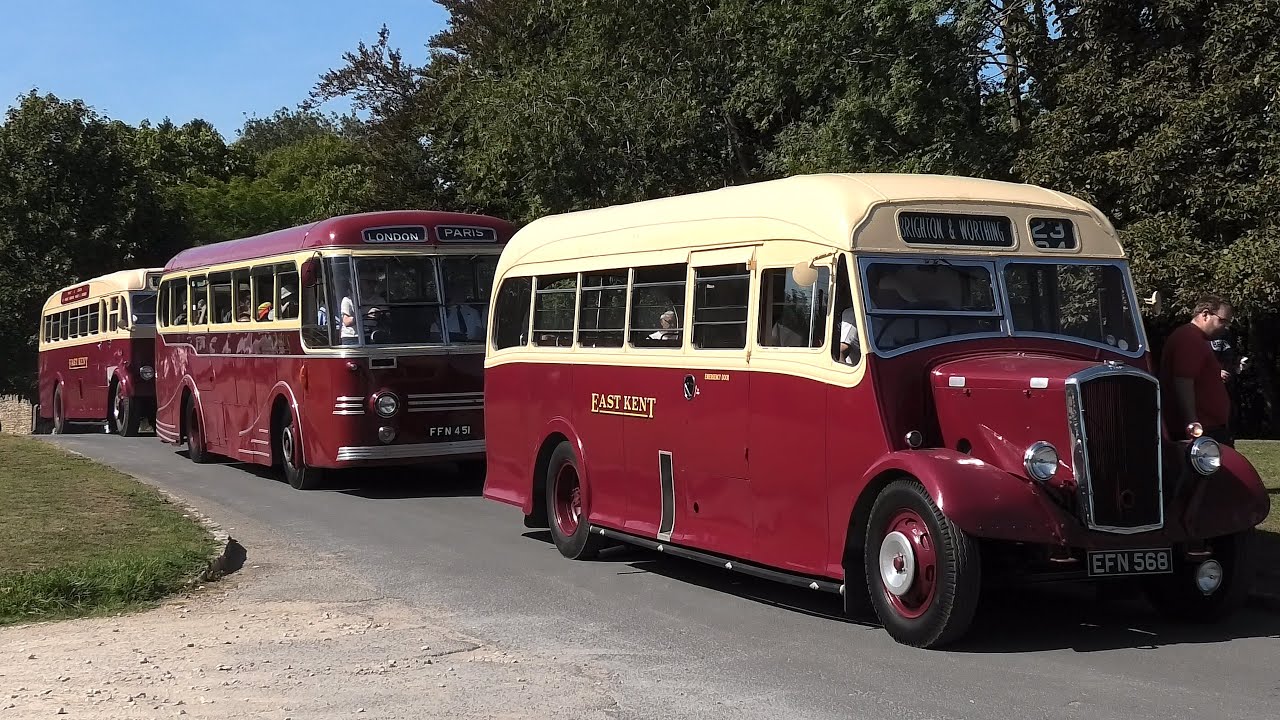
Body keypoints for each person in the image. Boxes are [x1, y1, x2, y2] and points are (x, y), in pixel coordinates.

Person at [1158, 294, 1236, 446]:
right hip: (1203, 429)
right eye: (1222, 321)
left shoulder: (1197, 339)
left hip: (1209, 427)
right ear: (1205, 314)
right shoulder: (1189, 338)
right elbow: (1183, 381)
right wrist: (1192, 424)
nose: (1225, 328)